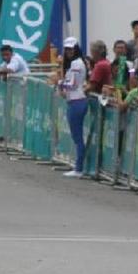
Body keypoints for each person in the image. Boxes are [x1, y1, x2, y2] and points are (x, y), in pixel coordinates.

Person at [57, 37, 88, 178]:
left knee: (77, 137)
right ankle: (78, 166)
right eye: (67, 49)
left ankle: (79, 168)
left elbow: (73, 85)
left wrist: (59, 82)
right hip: (74, 100)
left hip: (77, 101)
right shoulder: (74, 63)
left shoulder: (76, 64)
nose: (69, 51)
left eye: (71, 49)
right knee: (77, 137)